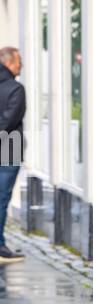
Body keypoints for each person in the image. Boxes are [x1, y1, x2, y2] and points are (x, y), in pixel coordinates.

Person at [0, 46, 25, 263]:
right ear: (9, 63)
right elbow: (9, 120)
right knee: (2, 199)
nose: (21, 66)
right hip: (9, 149)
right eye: (19, 62)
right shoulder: (16, 89)